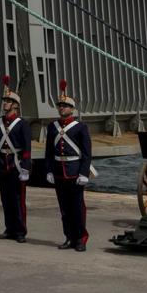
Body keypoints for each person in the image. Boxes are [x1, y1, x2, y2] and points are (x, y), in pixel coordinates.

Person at [44, 81, 91, 251]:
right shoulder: (52, 127)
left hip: (74, 172)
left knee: (78, 208)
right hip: (58, 172)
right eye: (60, 106)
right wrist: (49, 170)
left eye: (65, 106)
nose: (62, 108)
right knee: (64, 209)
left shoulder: (80, 128)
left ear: (72, 109)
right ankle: (69, 237)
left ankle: (81, 238)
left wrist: (83, 173)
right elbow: (49, 151)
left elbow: (86, 153)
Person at [0, 76, 31, 242]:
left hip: (16, 165)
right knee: (5, 199)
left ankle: (20, 231)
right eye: (5, 100)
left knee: (18, 200)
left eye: (8, 101)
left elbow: (27, 148)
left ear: (15, 105)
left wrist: (26, 168)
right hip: (2, 164)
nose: (5, 103)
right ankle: (9, 228)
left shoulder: (22, 124)